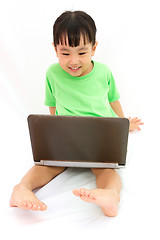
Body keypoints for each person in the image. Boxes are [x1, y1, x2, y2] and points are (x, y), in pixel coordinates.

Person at [10, 10, 143, 217]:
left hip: (100, 139)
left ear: (94, 48)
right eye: (65, 53)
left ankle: (109, 195)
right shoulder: (51, 73)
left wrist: (123, 123)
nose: (73, 61)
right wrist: (57, 136)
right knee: (48, 166)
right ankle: (22, 189)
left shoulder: (104, 72)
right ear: (55, 49)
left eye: (81, 53)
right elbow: (53, 107)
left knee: (106, 170)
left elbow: (113, 100)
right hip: (67, 140)